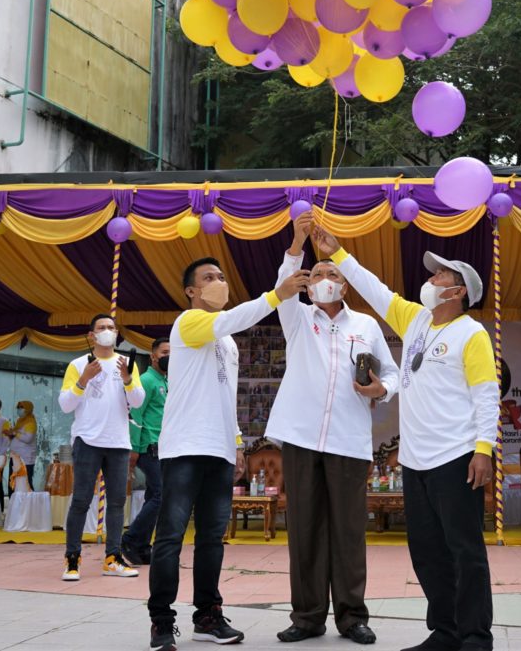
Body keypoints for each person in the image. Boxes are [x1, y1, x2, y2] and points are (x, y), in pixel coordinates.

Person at [312, 226, 499, 651]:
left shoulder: (472, 334)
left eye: (439, 278)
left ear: (457, 293)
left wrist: (483, 449)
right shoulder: (415, 319)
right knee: (428, 551)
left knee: (464, 551)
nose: (429, 281)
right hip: (415, 461)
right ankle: (446, 631)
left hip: (457, 456)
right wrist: (338, 253)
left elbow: (486, 394)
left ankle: (475, 636)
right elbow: (373, 288)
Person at [147, 257, 308, 651]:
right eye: (208, 278)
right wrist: (276, 295)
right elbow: (233, 318)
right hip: (185, 446)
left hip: (218, 450)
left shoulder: (229, 342)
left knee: (212, 539)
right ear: (191, 291)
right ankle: (161, 622)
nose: (218, 282)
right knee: (169, 537)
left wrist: (236, 443)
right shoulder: (189, 323)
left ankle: (207, 616)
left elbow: (226, 396)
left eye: (221, 277)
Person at [268, 212, 399, 645]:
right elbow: (284, 283)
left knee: (347, 529)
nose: (325, 277)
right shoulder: (298, 317)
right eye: (318, 272)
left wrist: (381, 389)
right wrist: (297, 243)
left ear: (344, 285)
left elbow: (393, 374)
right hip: (302, 435)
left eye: (332, 273)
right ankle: (306, 617)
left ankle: (352, 616)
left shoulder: (365, 326)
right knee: (304, 527)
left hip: (348, 438)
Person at [58, 314, 145, 581]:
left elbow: (138, 401)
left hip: (118, 441)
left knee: (117, 502)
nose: (107, 331)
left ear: (117, 333)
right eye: (101, 328)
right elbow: (65, 405)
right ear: (91, 335)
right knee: (81, 500)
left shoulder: (126, 363)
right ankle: (72, 559)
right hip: (87, 440)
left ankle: (113, 557)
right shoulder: (78, 364)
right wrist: (83, 380)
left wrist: (128, 378)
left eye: (111, 328)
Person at [122, 336, 169, 565]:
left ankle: (141, 546)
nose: (168, 357)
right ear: (153, 355)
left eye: (171, 353)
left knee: (154, 495)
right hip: (147, 445)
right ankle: (130, 539)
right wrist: (134, 449)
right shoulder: (148, 380)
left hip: (162, 447)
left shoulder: (166, 381)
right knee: (160, 496)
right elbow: (136, 415)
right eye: (163, 352)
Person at [4, 400, 38, 492]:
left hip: (25, 459)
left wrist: (14, 433)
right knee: (13, 481)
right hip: (15, 457)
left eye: (21, 407)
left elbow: (28, 439)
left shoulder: (31, 423)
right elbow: (17, 436)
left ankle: (29, 504)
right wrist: (10, 434)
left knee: (26, 483)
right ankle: (13, 504)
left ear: (28, 409)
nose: (19, 410)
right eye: (18, 407)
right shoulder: (19, 421)